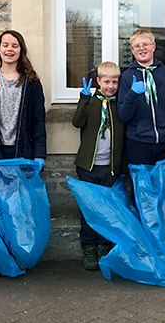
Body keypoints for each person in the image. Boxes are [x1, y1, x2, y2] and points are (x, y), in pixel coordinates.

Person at [0, 30, 47, 276]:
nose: (9, 49)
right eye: (5, 45)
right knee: (2, 207)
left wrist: (39, 154)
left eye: (14, 45)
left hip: (22, 153)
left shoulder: (32, 81)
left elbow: (38, 121)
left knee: (22, 208)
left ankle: (22, 255)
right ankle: (4, 258)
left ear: (21, 50)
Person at [72, 61, 126, 271]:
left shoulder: (120, 104)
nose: (111, 86)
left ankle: (103, 246)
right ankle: (88, 247)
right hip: (88, 166)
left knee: (106, 210)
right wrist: (84, 99)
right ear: (98, 82)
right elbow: (77, 122)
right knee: (89, 210)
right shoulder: (92, 101)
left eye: (114, 82)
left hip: (110, 168)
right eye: (106, 81)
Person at [118, 29, 165, 166]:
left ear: (153, 46)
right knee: (141, 187)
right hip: (138, 143)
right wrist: (132, 94)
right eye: (136, 46)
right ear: (132, 50)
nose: (141, 48)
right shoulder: (127, 77)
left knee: (164, 186)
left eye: (145, 44)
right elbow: (123, 116)